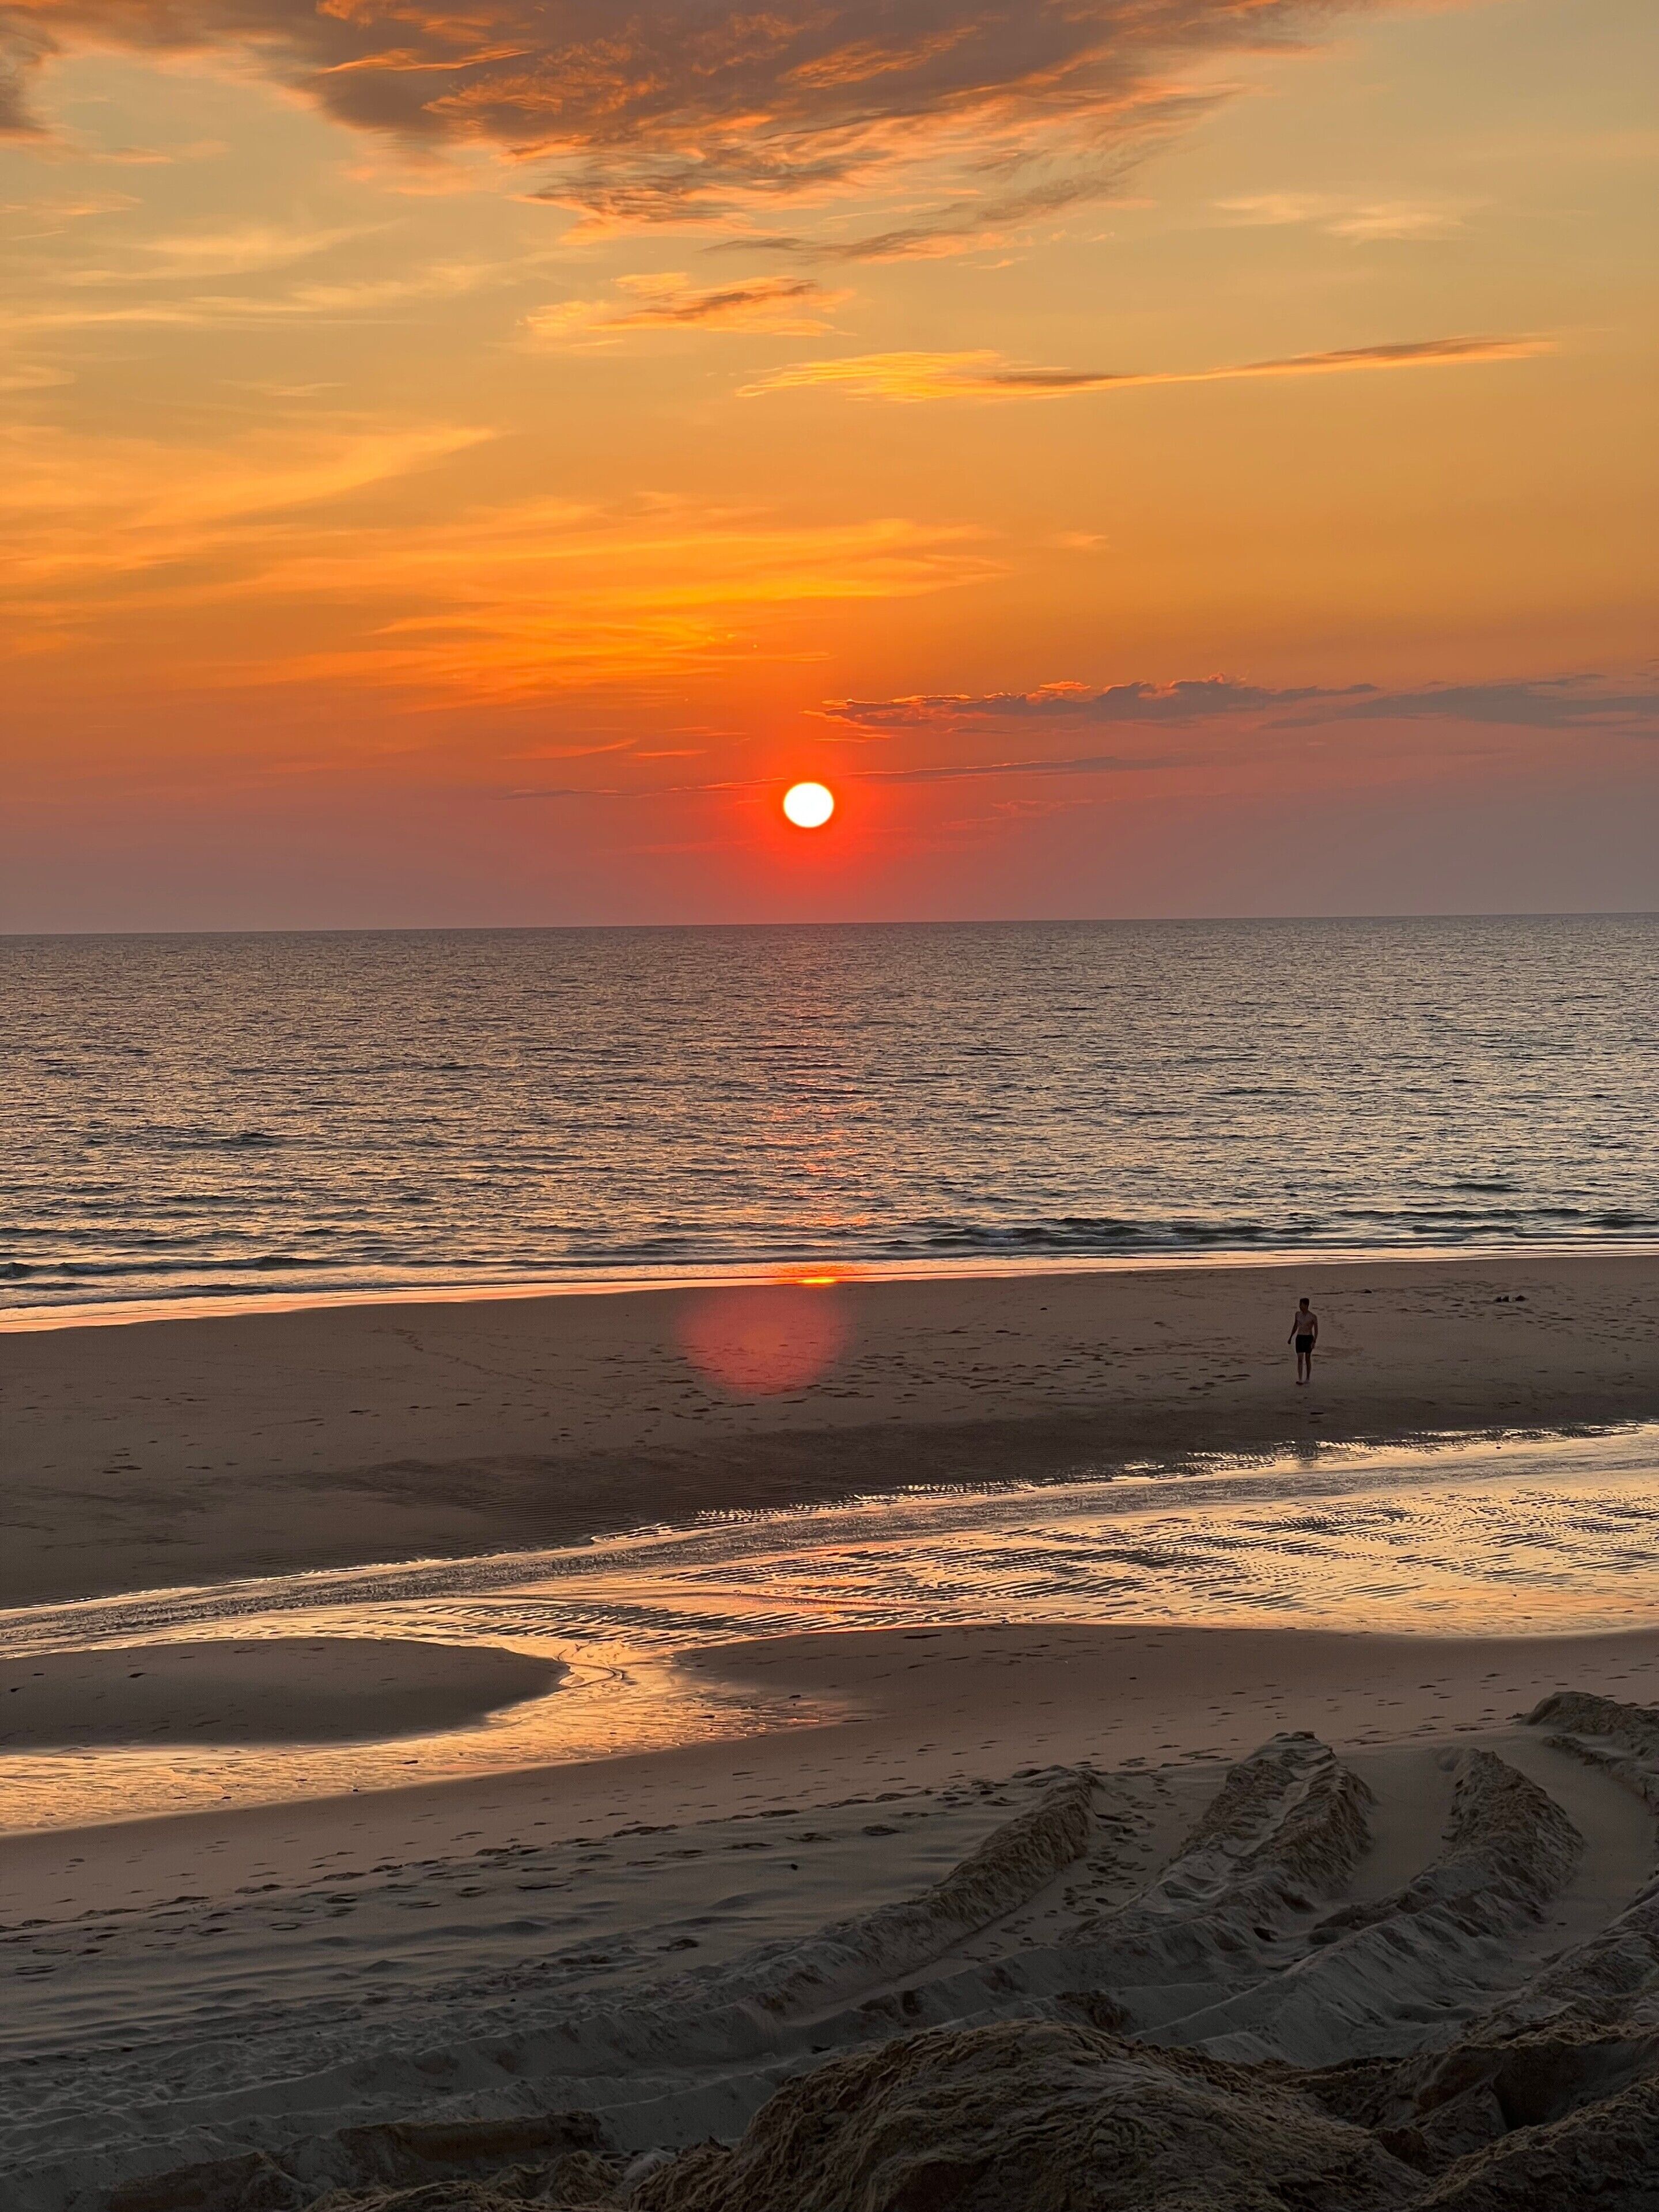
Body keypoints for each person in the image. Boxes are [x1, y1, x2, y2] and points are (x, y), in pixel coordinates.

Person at [1288, 1297, 1319, 1384]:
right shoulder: (1298, 1314)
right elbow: (1295, 1326)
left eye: (1301, 1305)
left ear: (1306, 1305)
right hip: (1300, 1338)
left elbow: (1316, 1330)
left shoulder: (1313, 1317)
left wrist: (1314, 1341)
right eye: (1299, 1304)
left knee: (1307, 1358)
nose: (1300, 1306)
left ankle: (1308, 1378)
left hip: (1308, 1338)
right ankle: (1300, 1378)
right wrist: (1291, 1337)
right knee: (1300, 1359)